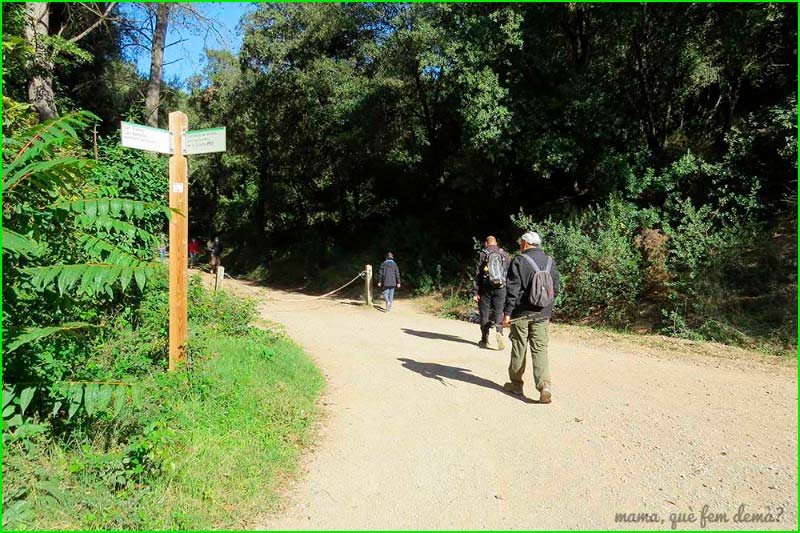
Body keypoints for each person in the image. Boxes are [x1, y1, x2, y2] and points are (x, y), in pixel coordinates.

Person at [502, 231, 560, 404]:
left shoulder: (519, 261)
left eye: (520, 242)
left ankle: (517, 385)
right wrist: (545, 306)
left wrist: (507, 313)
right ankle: (544, 386)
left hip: (521, 314)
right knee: (540, 349)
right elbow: (555, 289)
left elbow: (512, 291)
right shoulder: (550, 261)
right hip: (542, 313)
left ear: (525, 244)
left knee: (519, 348)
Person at [472, 235, 510, 350]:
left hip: (485, 288)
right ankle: (499, 332)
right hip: (501, 288)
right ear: (496, 243)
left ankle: (484, 339)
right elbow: (509, 273)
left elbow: (477, 274)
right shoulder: (504, 254)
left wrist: (475, 292)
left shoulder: (483, 254)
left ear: (486, 243)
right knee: (499, 311)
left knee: (484, 314)